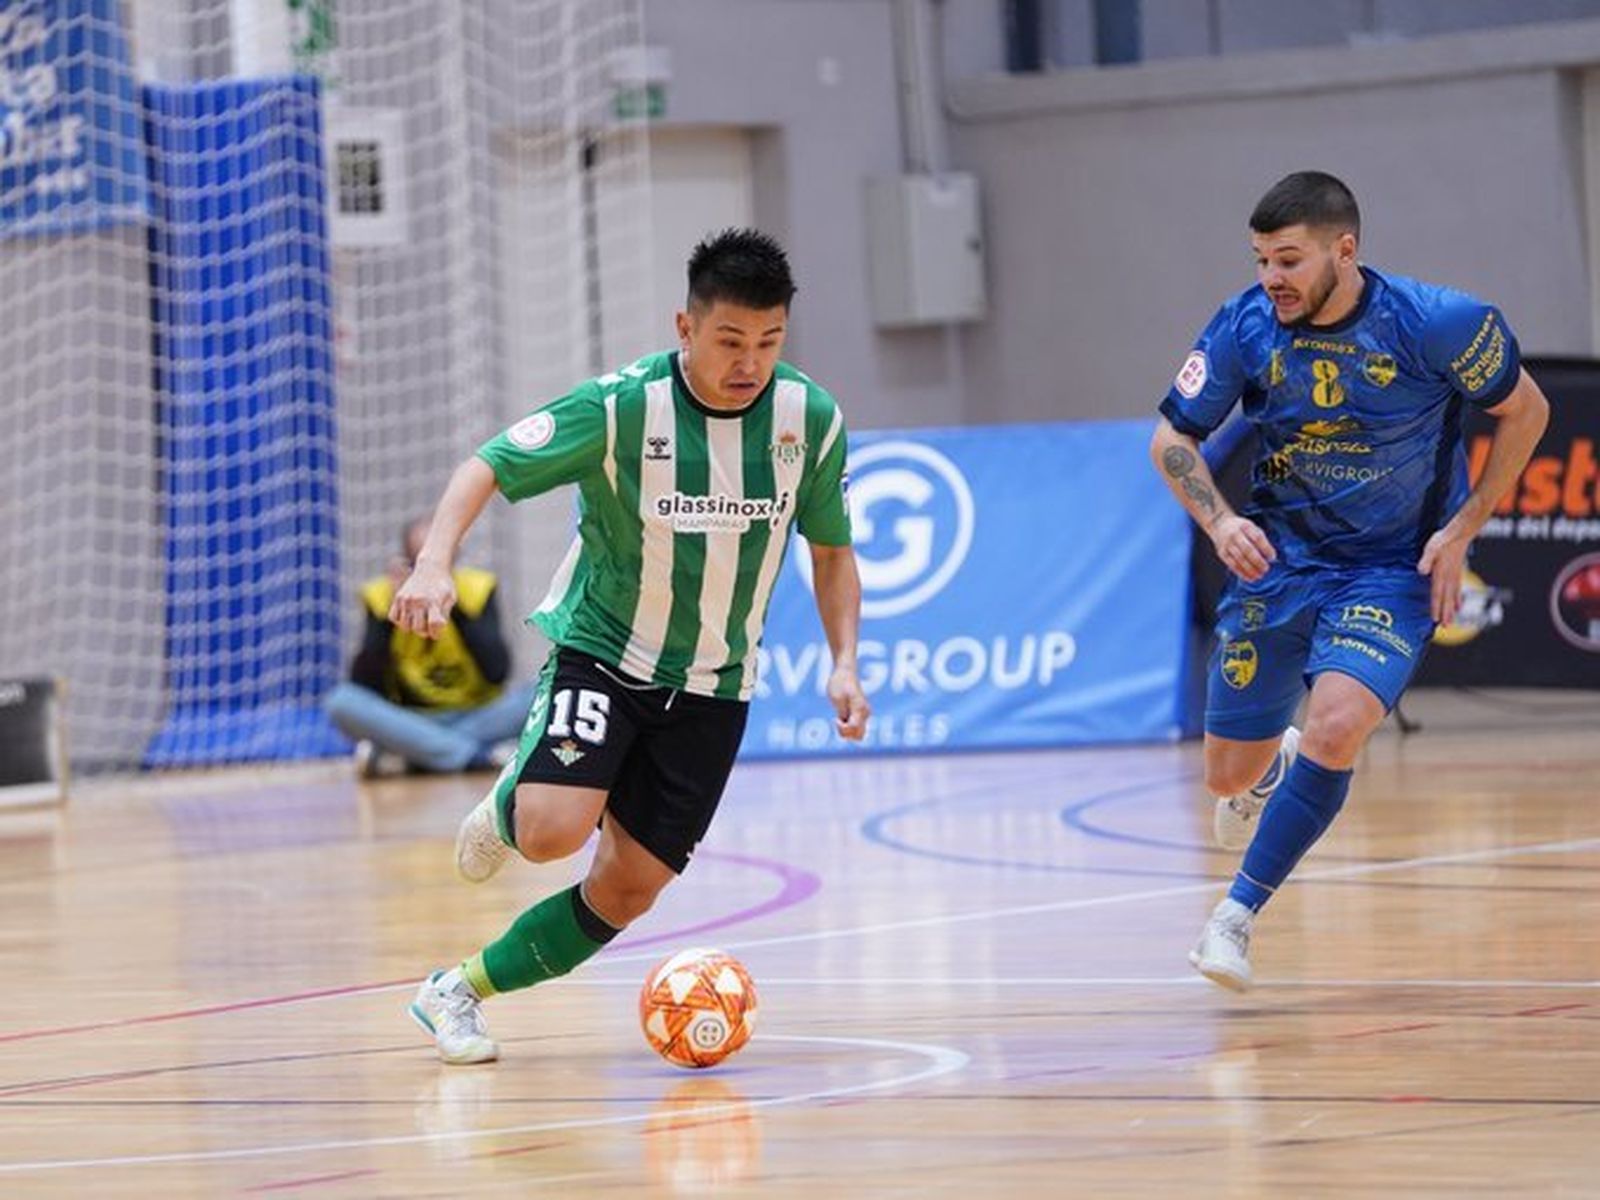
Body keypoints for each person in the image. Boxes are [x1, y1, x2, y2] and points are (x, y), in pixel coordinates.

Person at [399, 228, 870, 1062]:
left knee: (627, 890)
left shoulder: (812, 420)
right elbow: (488, 465)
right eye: (730, 340)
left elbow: (832, 552)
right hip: (605, 655)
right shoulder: (619, 408)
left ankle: (456, 991)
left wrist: (843, 663)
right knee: (549, 831)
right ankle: (513, 799)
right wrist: (435, 563)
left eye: (768, 343)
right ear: (685, 329)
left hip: (715, 686)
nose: (749, 363)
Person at [1151, 171, 1549, 991]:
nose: (1272, 279)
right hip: (1280, 566)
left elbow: (1527, 411)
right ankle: (1266, 771)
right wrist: (1222, 522)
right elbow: (1171, 439)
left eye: (1288, 260)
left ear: (1345, 249)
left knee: (1336, 725)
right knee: (1226, 775)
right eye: (1262, 260)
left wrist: (1464, 525)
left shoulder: (1438, 322)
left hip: (1389, 570)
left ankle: (1234, 920)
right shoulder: (1245, 325)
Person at [324, 516, 534, 776]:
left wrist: (449, 600)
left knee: (542, 691)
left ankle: (418, 755)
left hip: (476, 714)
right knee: (341, 702)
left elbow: (497, 672)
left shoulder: (477, 588)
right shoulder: (381, 595)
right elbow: (366, 685)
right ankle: (471, 756)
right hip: (411, 719)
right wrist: (392, 611)